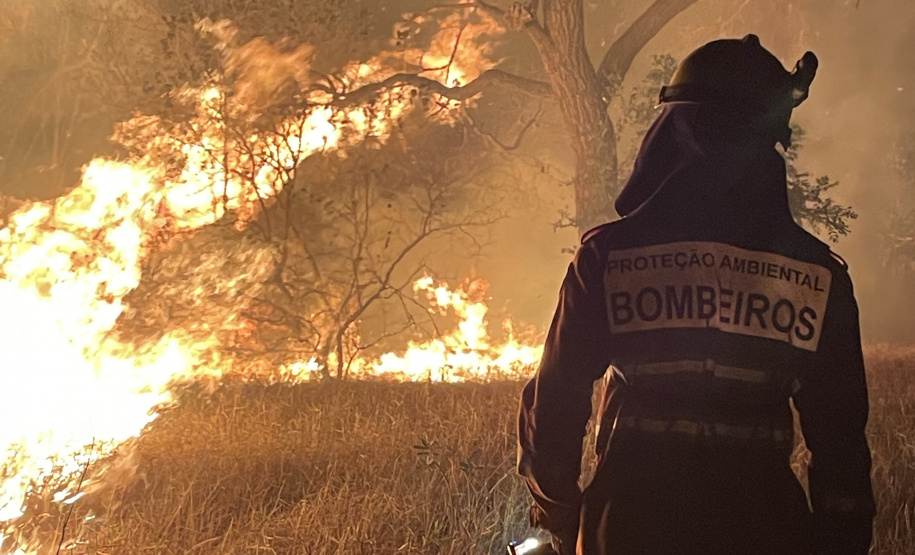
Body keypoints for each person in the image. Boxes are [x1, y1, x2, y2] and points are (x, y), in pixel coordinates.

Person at [517, 35, 875, 555]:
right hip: (765, 527)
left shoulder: (607, 257)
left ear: (669, 132)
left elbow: (555, 405)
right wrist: (840, 536)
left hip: (627, 526)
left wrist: (563, 515)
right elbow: (840, 438)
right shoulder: (817, 276)